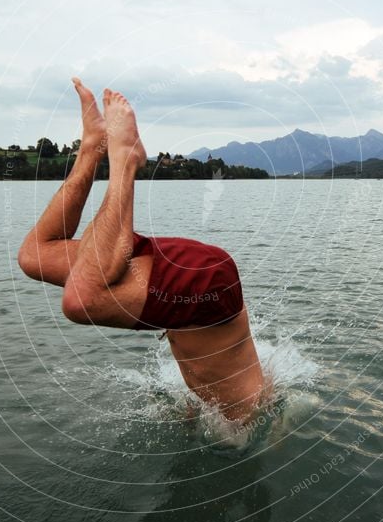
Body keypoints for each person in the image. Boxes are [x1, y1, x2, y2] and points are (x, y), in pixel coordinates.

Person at [17, 78, 271, 422]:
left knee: (46, 266)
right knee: (57, 275)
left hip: (202, 290)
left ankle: (97, 151)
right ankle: (114, 156)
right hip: (208, 282)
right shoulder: (255, 420)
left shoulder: (256, 409)